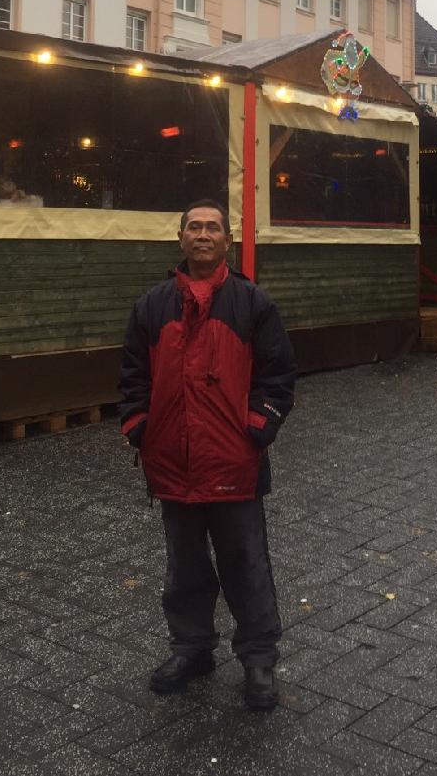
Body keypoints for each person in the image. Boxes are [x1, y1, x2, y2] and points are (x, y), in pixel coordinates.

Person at [118, 199, 296, 711]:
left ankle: (258, 660)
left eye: (212, 228)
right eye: (193, 227)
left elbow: (278, 376)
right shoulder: (152, 306)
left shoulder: (253, 304)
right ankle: (192, 648)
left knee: (247, 564)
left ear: (227, 241)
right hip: (172, 462)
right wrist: (139, 427)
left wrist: (256, 431)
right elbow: (132, 375)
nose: (202, 235)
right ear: (180, 238)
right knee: (185, 566)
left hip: (233, 463)